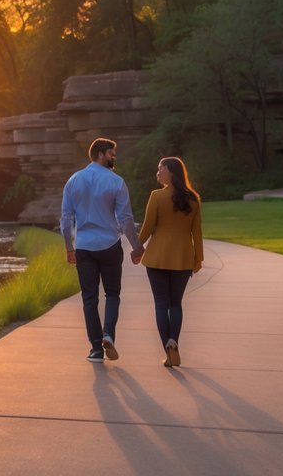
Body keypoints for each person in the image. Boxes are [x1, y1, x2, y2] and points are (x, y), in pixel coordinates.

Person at [60, 137, 143, 363]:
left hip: (84, 247)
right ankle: (108, 334)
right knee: (113, 293)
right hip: (109, 245)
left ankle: (96, 349)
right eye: (111, 153)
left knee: (89, 298)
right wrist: (137, 247)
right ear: (100, 153)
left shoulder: (73, 180)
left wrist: (69, 248)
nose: (114, 157)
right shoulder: (116, 182)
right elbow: (125, 219)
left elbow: (66, 220)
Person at [132, 156, 203, 368]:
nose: (157, 172)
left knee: (161, 304)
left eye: (160, 168)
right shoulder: (193, 199)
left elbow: (147, 227)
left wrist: (137, 248)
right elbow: (197, 232)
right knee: (176, 303)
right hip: (182, 258)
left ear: (171, 171)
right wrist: (198, 259)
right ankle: (174, 343)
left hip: (158, 258)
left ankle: (168, 348)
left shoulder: (156, 196)